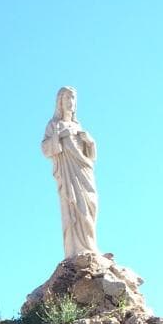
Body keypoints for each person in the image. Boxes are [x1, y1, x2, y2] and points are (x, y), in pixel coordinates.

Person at [41, 86, 98, 257]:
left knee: (90, 206)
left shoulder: (78, 126)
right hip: (68, 175)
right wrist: (59, 136)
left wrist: (90, 142)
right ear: (60, 102)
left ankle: (90, 246)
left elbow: (91, 156)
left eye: (73, 98)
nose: (70, 102)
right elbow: (45, 149)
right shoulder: (54, 125)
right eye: (66, 98)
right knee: (74, 207)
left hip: (83, 173)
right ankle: (75, 251)